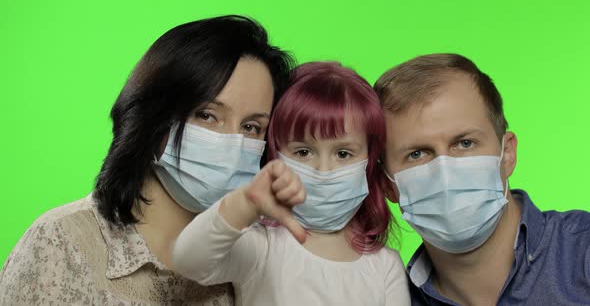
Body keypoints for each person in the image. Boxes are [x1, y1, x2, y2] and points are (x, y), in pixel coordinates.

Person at [0, 15, 294, 305]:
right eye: (206, 115)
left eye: (251, 127)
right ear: (155, 116)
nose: (231, 142)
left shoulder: (256, 255)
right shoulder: (62, 243)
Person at [171, 62, 410, 305]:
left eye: (343, 154)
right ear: (276, 155)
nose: (323, 171)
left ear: (369, 161)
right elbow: (189, 260)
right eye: (304, 152)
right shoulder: (261, 246)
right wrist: (243, 203)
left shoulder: (385, 265)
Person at [374, 53, 590, 305]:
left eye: (465, 143)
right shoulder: (388, 298)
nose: (445, 173)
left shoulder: (582, 253)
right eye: (417, 154)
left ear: (507, 153)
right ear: (386, 185)